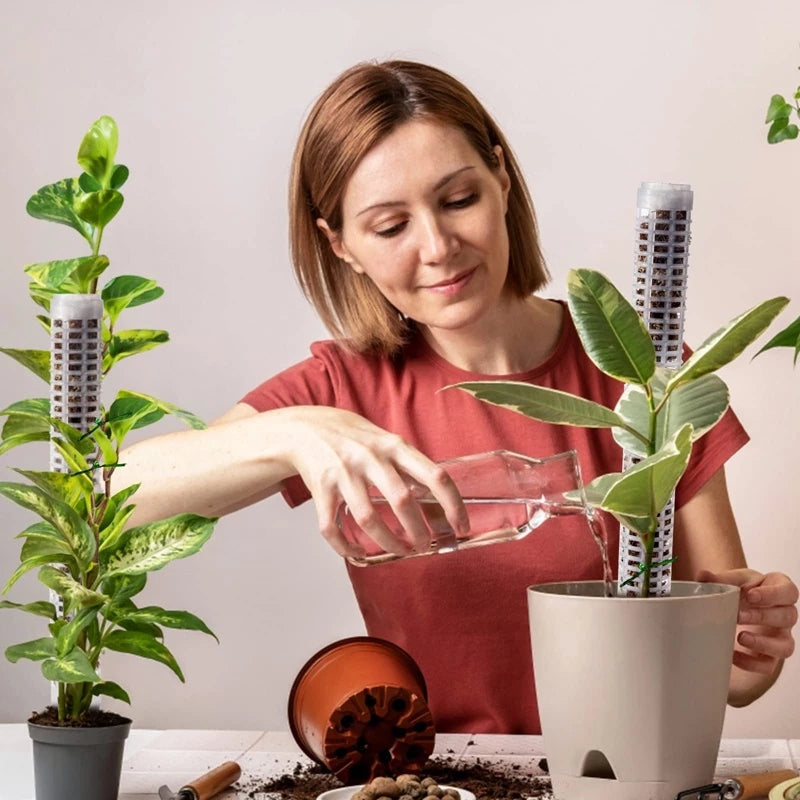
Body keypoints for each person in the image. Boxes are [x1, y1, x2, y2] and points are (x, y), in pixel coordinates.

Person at [118, 60, 798, 733]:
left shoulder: (647, 377)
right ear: (342, 245)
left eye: (459, 199)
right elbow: (103, 501)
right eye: (390, 227)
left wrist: (754, 636)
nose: (438, 247)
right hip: (436, 780)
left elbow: (737, 677)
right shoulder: (344, 390)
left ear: (501, 179)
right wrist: (295, 433)